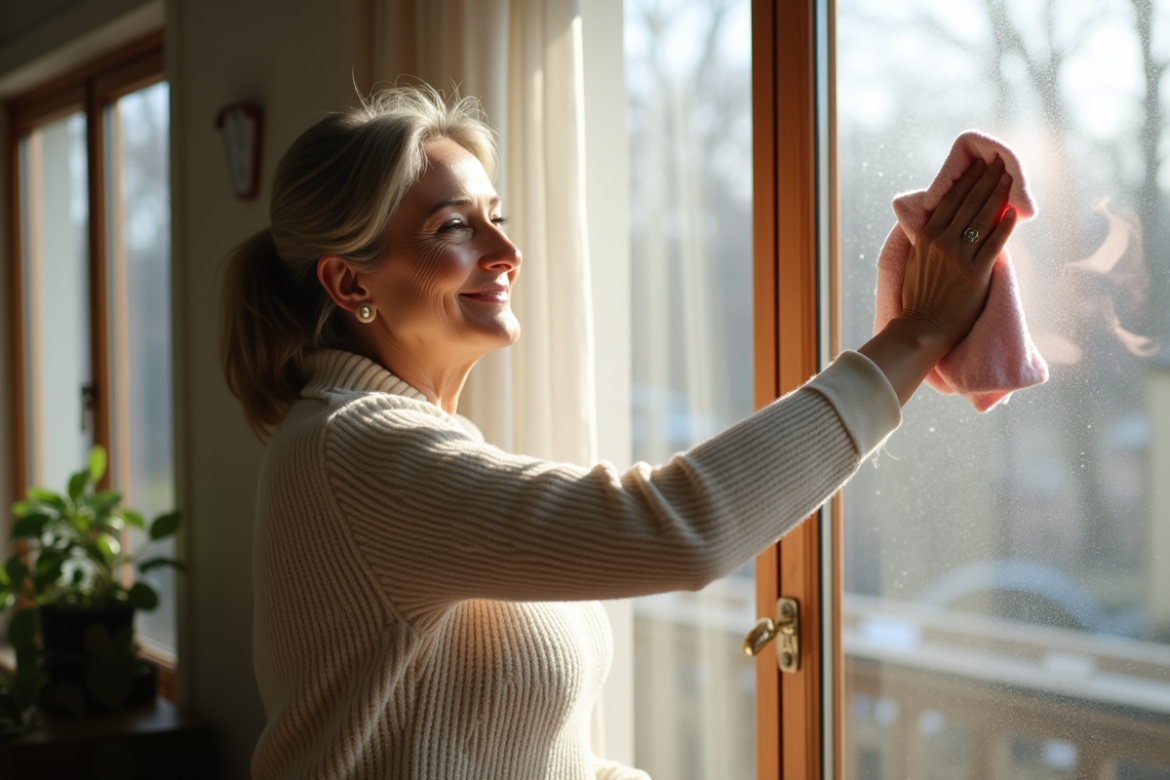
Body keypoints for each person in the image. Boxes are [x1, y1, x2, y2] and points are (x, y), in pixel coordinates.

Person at [220, 86, 1016, 780]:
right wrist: (913, 337)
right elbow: (677, 527)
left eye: (497, 218)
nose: (507, 251)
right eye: (456, 227)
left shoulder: (416, 447)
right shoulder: (352, 450)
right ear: (350, 280)